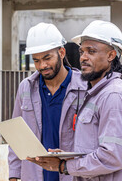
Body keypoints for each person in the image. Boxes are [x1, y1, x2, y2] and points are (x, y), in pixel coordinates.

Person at [28, 20, 122, 181]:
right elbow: (92, 149)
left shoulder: (114, 96)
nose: (83, 57)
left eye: (91, 51)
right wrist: (69, 157)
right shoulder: (96, 94)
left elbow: (112, 157)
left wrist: (63, 167)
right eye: (82, 52)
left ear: (111, 55)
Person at [8, 23, 87, 181]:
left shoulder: (85, 88)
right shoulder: (26, 88)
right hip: (35, 176)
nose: (42, 66)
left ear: (61, 52)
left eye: (47, 58)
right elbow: (16, 136)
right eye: (36, 60)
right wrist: (14, 176)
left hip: (72, 176)